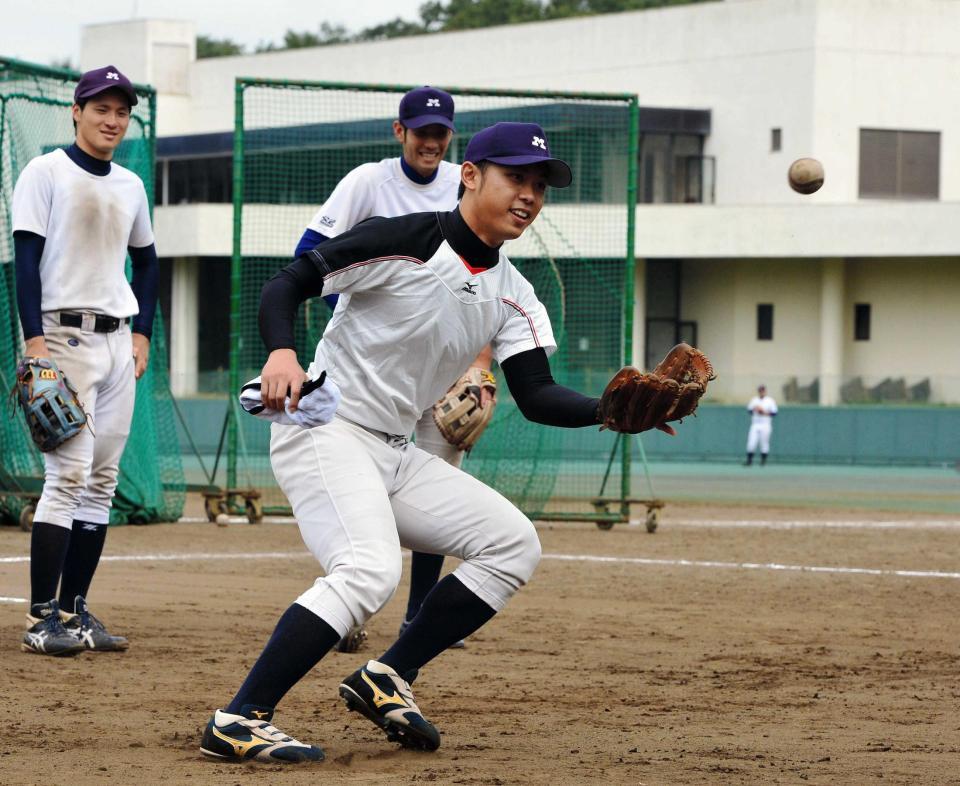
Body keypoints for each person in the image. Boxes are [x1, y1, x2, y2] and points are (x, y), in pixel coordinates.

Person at [200, 122, 611, 763]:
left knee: (511, 544)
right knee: (368, 571)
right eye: (515, 179)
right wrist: (282, 352)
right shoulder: (406, 239)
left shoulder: (516, 295)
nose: (529, 195)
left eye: (539, 185)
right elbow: (287, 283)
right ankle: (239, 718)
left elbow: (536, 395)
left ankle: (386, 675)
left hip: (393, 450)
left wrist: (612, 412)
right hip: (327, 430)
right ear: (470, 175)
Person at [295, 86, 490, 653]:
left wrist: (479, 365)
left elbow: (486, 281)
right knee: (359, 487)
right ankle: (346, 603)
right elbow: (309, 252)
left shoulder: (466, 183)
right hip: (369, 371)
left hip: (444, 367)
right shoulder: (367, 182)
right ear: (399, 132)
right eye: (420, 130)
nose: (430, 141)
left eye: (440, 132)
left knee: (439, 484)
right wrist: (364, 323)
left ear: (450, 137)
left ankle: (419, 616)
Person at [11, 65, 159, 655]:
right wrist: (34, 344)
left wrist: (143, 334)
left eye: (122, 111)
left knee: (102, 480)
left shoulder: (130, 184)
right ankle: (40, 618)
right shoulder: (44, 172)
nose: (112, 120)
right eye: (102, 108)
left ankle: (73, 613)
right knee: (67, 476)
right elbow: (25, 261)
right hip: (60, 338)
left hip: (116, 342)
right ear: (77, 111)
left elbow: (147, 262)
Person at [744, 384, 778, 466]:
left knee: (764, 443)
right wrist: (755, 409)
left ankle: (763, 461)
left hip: (765, 424)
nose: (761, 392)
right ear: (758, 391)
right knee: (751, 442)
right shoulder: (754, 400)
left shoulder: (770, 400)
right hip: (755, 424)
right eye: (760, 390)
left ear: (765, 391)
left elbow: (774, 413)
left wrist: (764, 412)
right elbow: (749, 411)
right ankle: (749, 461)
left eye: (763, 390)